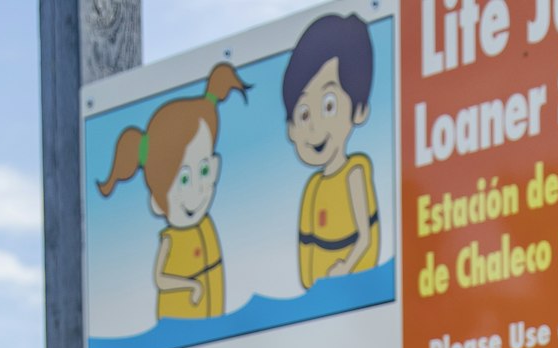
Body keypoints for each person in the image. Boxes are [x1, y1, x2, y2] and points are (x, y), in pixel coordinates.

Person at [96, 62, 248, 321]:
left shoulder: (207, 226)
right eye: (183, 179)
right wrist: (192, 285)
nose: (198, 191)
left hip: (212, 328)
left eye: (203, 171)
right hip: (177, 325)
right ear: (156, 201)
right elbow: (160, 278)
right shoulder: (170, 238)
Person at [283, 13, 380, 288]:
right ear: (291, 128)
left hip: (353, 285)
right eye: (303, 114)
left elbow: (365, 238)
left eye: (328, 106)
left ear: (359, 111)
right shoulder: (313, 187)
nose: (313, 127)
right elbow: (306, 245)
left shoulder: (354, 173)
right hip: (323, 296)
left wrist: (346, 267)